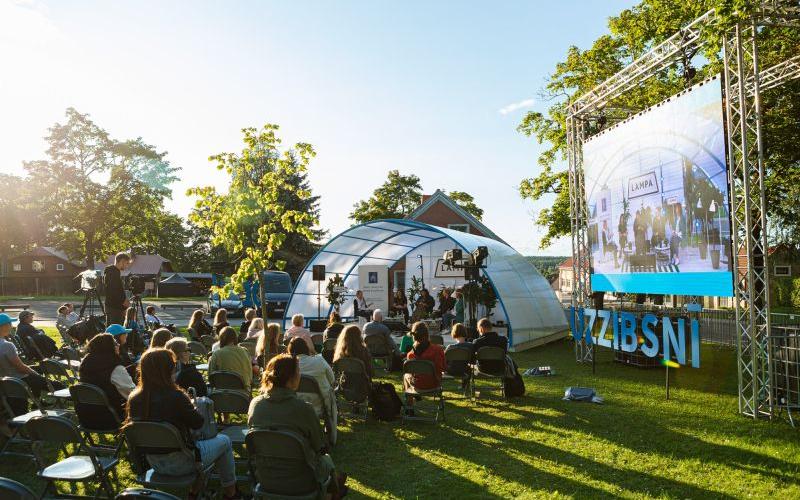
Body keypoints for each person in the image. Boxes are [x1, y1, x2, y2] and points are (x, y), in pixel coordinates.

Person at [126, 349, 241, 500]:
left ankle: (195, 492)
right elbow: (198, 423)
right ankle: (231, 494)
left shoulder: (134, 399)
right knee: (224, 441)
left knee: (204, 445)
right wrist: (193, 407)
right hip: (184, 462)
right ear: (169, 369)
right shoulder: (175, 396)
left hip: (153, 462)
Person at [248, 354, 343, 498]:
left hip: (267, 478)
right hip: (301, 481)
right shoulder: (303, 409)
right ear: (292, 378)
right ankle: (333, 492)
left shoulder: (255, 405)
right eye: (298, 371)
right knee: (326, 461)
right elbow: (320, 447)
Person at [0, 313, 62, 407]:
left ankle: (37, 401)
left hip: (5, 378)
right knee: (55, 384)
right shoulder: (6, 345)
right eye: (10, 324)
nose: (12, 327)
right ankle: (78, 397)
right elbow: (20, 368)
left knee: (38, 369)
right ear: (4, 326)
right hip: (17, 379)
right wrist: (35, 374)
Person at [286, 337, 337, 441]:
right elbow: (332, 380)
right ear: (306, 348)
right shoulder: (319, 360)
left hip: (295, 405)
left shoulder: (286, 365)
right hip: (320, 405)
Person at [79, 332, 135, 419]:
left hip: (86, 416)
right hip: (111, 417)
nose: (118, 346)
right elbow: (132, 393)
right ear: (109, 348)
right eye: (116, 343)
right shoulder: (115, 367)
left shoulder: (85, 363)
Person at [404, 322, 446, 413]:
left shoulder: (410, 355)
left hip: (417, 385)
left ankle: (409, 406)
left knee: (406, 376)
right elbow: (442, 368)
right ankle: (412, 402)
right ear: (427, 334)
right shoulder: (438, 350)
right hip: (434, 384)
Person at [104, 252, 131, 326]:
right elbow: (113, 290)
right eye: (127, 263)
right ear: (122, 261)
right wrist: (124, 301)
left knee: (111, 330)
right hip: (114, 308)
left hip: (112, 306)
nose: (127, 266)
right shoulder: (113, 272)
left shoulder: (113, 271)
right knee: (116, 331)